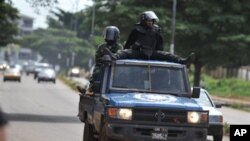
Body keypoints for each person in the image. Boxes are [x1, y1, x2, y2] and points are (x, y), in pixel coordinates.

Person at [103, 11, 194, 64]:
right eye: (148, 21)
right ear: (143, 21)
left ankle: (182, 61)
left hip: (152, 53)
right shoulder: (136, 30)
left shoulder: (156, 31)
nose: (150, 22)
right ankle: (113, 56)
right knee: (124, 52)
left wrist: (159, 54)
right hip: (138, 52)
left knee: (167, 55)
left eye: (152, 21)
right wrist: (134, 47)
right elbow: (128, 45)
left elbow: (160, 45)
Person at [85, 26, 123, 95]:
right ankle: (91, 88)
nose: (110, 36)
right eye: (108, 34)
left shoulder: (119, 47)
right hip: (102, 66)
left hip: (115, 67)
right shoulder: (102, 46)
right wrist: (102, 59)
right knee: (96, 72)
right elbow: (97, 58)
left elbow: (120, 57)